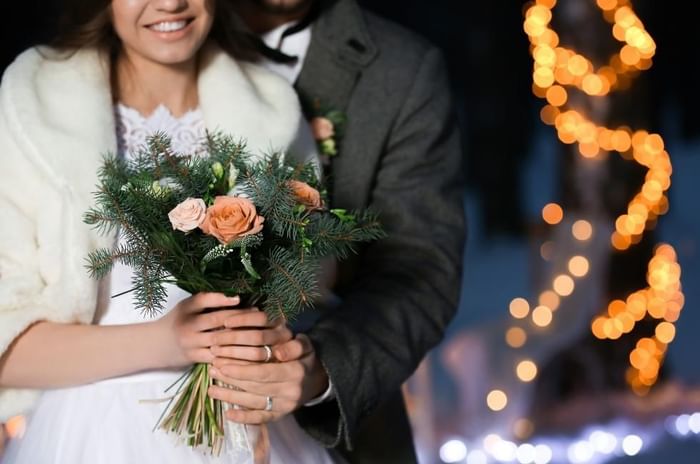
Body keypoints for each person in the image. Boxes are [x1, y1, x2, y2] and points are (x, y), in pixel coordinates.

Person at [0, 0, 333, 462]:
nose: (171, 3)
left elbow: (312, 286)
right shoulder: (33, 104)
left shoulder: (270, 105)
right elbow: (6, 340)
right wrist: (167, 340)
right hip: (92, 435)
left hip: (247, 426)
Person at [207, 1, 466, 462]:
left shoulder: (403, 68)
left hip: (336, 437)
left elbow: (419, 268)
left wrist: (319, 370)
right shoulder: (146, 34)